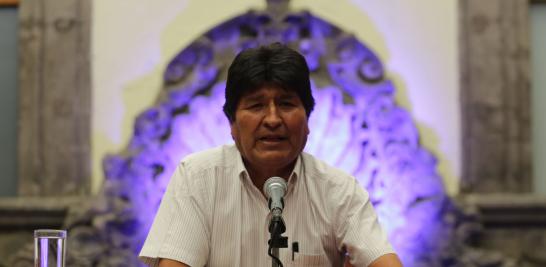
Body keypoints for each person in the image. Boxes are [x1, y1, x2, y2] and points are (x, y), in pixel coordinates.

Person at [139, 43, 403, 267]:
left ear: (308, 119)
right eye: (256, 106)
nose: (273, 119)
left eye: (287, 104)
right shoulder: (198, 178)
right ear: (232, 124)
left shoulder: (340, 190)